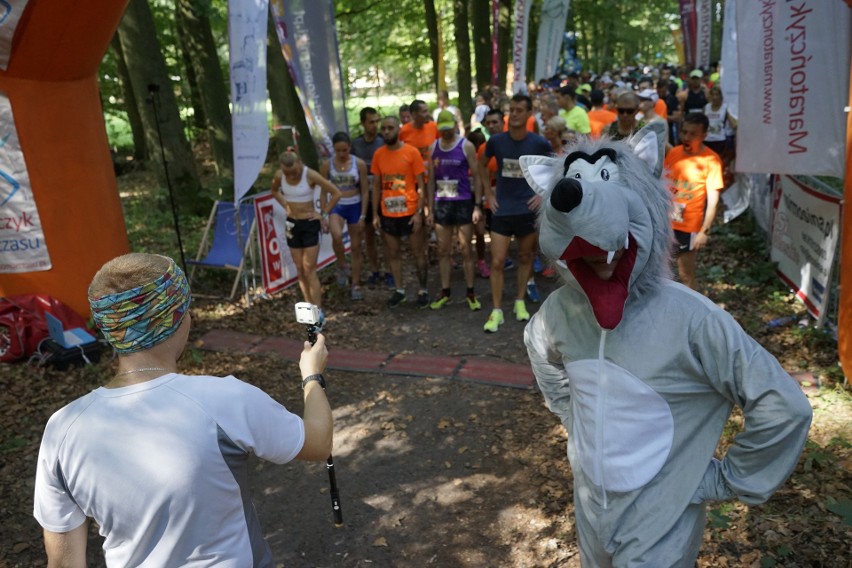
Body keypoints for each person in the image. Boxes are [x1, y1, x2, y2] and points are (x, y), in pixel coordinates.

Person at [521, 132, 811, 568]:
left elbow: (783, 406)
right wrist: (571, 416)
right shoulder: (563, 309)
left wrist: (725, 480)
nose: (602, 261)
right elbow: (537, 344)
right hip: (591, 513)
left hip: (661, 522)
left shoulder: (693, 319)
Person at [34, 253, 334, 566]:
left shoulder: (61, 429)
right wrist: (311, 375)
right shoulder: (226, 400)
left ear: (111, 329)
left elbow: (63, 562)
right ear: (179, 318)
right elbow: (319, 442)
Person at [479, 94, 552, 332]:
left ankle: (520, 301)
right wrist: (489, 195)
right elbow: (481, 165)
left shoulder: (539, 143)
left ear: (529, 113)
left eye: (520, 110)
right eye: (512, 109)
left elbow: (555, 168)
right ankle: (497, 309)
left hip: (526, 210)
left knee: (525, 257)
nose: (515, 114)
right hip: (502, 209)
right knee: (498, 261)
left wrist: (542, 194)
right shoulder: (497, 141)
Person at [271, 149, 342, 314]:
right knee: (299, 268)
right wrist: (285, 204)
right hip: (291, 224)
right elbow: (274, 190)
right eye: (288, 174)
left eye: (294, 172)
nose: (292, 176)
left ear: (300, 164)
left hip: (310, 224)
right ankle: (308, 305)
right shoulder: (279, 175)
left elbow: (336, 193)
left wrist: (323, 213)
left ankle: (318, 310)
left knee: (309, 268)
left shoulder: (310, 175)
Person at [371, 116, 430, 308]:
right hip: (388, 213)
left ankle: (423, 289)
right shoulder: (378, 154)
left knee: (418, 251)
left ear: (398, 129)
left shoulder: (411, 152)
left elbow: (421, 184)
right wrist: (375, 214)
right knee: (393, 253)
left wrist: (419, 212)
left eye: (390, 128)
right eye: (384, 129)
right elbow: (377, 185)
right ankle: (399, 290)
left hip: (410, 211)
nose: (386, 132)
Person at [426, 110, 482, 311]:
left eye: (449, 128)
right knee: (443, 250)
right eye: (442, 129)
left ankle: (470, 291)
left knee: (466, 248)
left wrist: (477, 205)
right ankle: (445, 291)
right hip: (442, 203)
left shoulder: (466, 145)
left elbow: (476, 176)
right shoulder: (433, 147)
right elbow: (430, 180)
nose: (446, 132)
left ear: (455, 125)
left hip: (463, 202)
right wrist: (430, 209)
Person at [664, 112, 723, 291]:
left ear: (704, 135)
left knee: (685, 274)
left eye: (692, 134)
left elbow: (713, 201)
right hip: (666, 223)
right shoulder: (674, 153)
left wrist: (704, 230)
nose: (686, 138)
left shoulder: (711, 160)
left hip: (689, 227)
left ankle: (695, 314)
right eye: (684, 132)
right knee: (662, 272)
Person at [320, 132, 369, 300]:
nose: (341, 154)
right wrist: (323, 214)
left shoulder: (359, 164)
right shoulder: (327, 165)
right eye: (338, 150)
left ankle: (355, 283)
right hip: (337, 206)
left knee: (356, 247)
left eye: (344, 150)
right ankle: (341, 264)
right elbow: (323, 190)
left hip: (354, 205)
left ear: (349, 148)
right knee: (337, 235)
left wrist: (363, 215)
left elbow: (364, 190)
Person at [351, 106, 393, 290]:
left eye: (377, 121)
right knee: (368, 235)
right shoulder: (356, 145)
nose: (375, 125)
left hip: (384, 195)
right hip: (363, 197)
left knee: (386, 235)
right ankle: (375, 270)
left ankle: (391, 271)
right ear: (363, 123)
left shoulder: (383, 142)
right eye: (371, 122)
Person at [400, 99, 439, 171]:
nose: (427, 114)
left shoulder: (434, 127)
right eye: (424, 112)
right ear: (414, 114)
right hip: (413, 175)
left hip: (432, 173)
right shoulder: (403, 131)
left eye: (427, 111)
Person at [702, 85, 737, 160]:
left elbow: (733, 124)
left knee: (717, 160)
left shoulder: (725, 108)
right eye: (713, 94)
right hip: (707, 139)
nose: (715, 97)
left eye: (717, 94)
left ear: (721, 96)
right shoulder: (706, 107)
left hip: (719, 140)